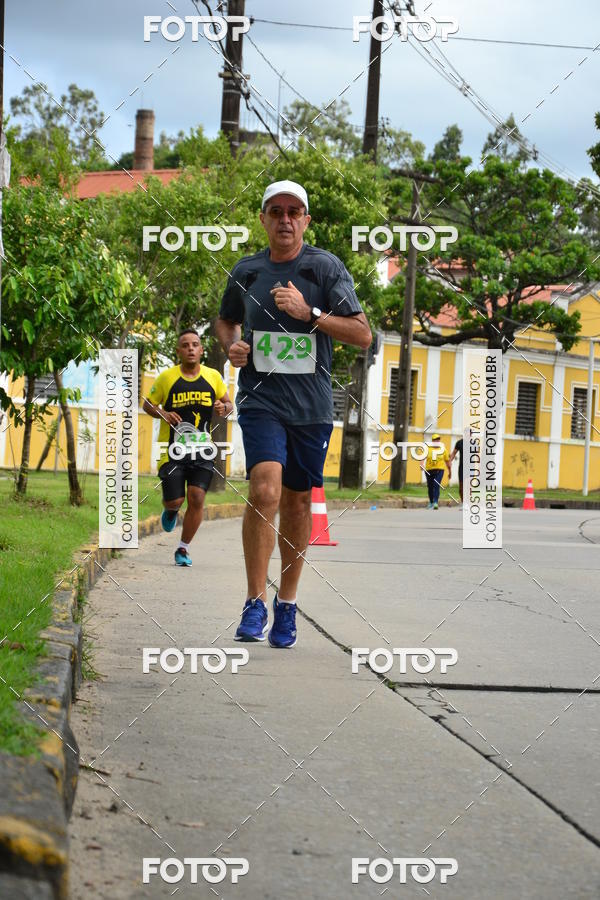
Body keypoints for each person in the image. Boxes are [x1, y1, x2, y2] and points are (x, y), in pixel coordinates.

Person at [216, 179, 372, 648]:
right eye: (276, 211)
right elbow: (226, 320)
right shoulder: (247, 270)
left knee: (298, 502)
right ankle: (253, 601)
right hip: (260, 400)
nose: (285, 219)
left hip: (310, 407)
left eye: (293, 212)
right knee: (264, 489)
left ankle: (286, 603)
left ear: (306, 220)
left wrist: (311, 314)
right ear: (263, 219)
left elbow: (362, 334)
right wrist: (232, 347)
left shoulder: (324, 268)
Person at [143, 329, 233, 566]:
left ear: (201, 350)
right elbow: (147, 405)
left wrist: (224, 408)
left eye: (195, 344)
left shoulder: (213, 376)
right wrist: (164, 413)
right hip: (173, 451)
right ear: (178, 351)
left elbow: (228, 404)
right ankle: (171, 510)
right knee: (175, 501)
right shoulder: (166, 378)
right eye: (185, 345)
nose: (191, 348)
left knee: (197, 497)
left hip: (202, 450)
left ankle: (183, 549)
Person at [424, 432, 451, 510]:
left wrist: (450, 471)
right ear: (432, 441)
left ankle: (435, 502)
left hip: (439, 470)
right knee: (430, 486)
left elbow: (447, 461)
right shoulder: (428, 449)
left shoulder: (443, 449)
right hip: (429, 470)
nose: (437, 441)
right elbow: (422, 457)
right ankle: (431, 502)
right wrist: (421, 464)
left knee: (436, 485)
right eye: (435, 440)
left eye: (438, 440)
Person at [449, 436, 464, 503]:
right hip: (461, 467)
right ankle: (463, 502)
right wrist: (450, 461)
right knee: (461, 487)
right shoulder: (459, 443)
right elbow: (454, 453)